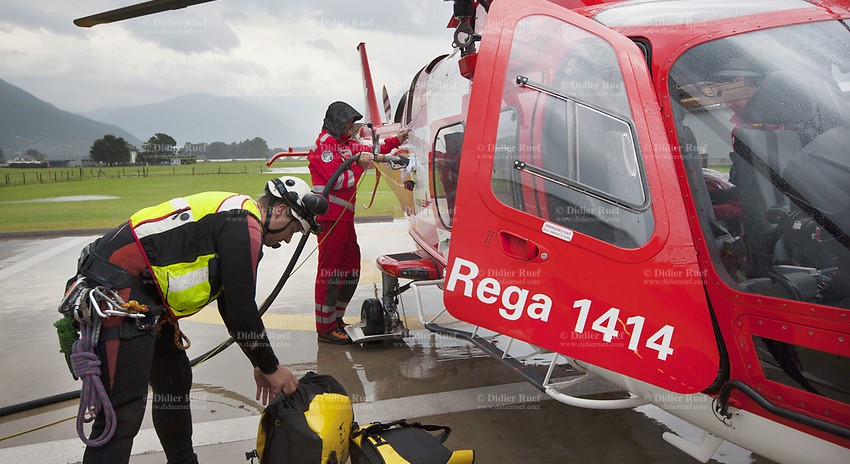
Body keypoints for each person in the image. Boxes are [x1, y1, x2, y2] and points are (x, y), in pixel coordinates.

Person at [67, 176, 327, 464]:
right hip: (118, 291)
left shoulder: (239, 221)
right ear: (280, 211)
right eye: (293, 230)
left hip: (146, 297)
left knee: (174, 381)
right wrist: (271, 367)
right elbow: (241, 312)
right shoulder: (245, 226)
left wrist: (260, 362)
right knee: (122, 413)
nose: (288, 240)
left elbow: (230, 305)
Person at [308, 101, 409, 344]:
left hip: (344, 219)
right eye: (348, 123)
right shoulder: (326, 145)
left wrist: (397, 139)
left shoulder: (346, 144)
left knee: (351, 265)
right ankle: (325, 328)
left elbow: (371, 150)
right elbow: (340, 180)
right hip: (330, 219)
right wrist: (362, 168)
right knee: (330, 271)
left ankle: (336, 318)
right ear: (337, 123)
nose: (352, 128)